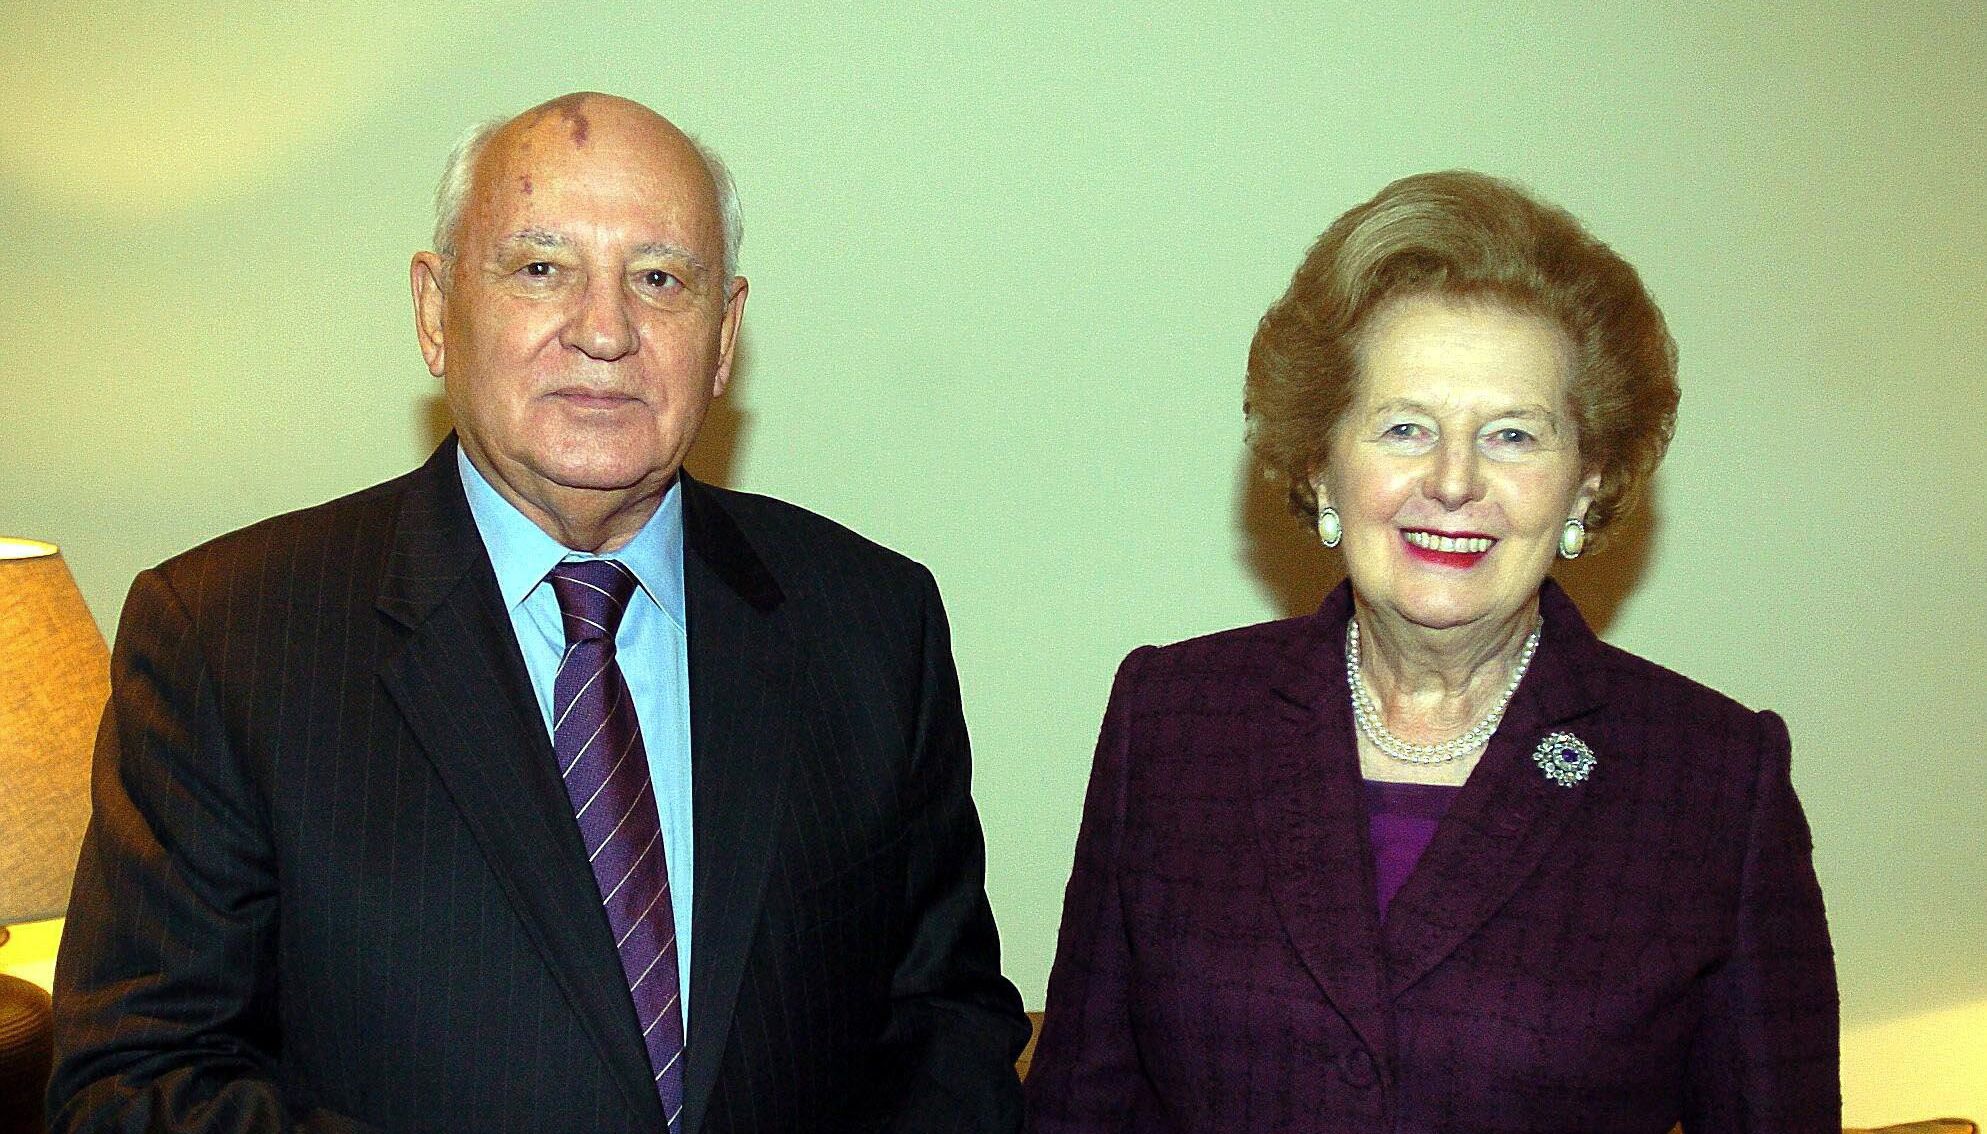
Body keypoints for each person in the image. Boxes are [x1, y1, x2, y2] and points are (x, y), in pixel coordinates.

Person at [49, 92, 1028, 1134]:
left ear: (726, 334)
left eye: (660, 278)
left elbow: (944, 1033)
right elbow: (137, 1084)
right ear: (435, 313)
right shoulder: (227, 639)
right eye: (540, 268)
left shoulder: (873, 624)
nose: (605, 331)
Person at [1024, 171, 1838, 1132]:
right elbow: (1082, 1103)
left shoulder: (1713, 779)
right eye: (1405, 427)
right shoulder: (1172, 716)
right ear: (1322, 461)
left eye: (1512, 435)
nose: (1453, 482)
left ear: (1586, 481)